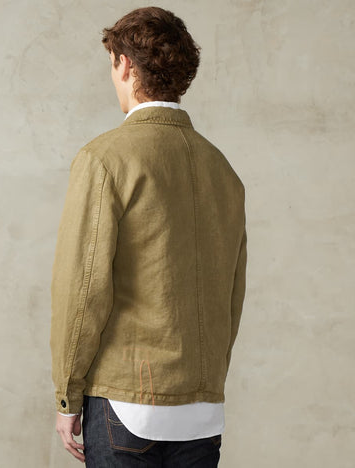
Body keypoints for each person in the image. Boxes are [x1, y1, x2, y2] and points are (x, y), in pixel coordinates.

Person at [50, 6, 247, 467]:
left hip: (126, 401)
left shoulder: (105, 158)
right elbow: (232, 294)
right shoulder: (222, 170)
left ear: (125, 64)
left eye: (112, 64)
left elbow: (82, 289)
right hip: (203, 410)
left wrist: (67, 395)